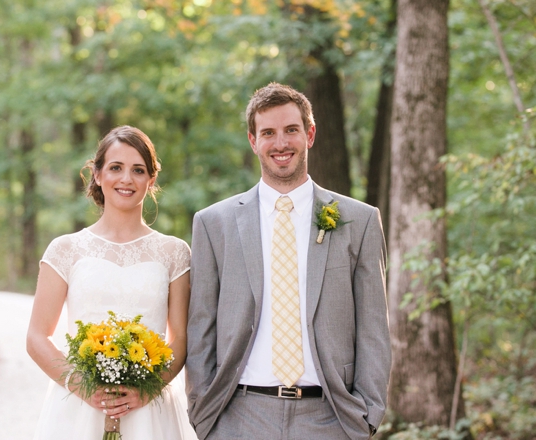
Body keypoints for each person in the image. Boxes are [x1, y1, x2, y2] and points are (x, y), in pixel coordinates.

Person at [185, 83, 391, 440]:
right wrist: (204, 414)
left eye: (291, 130)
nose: (280, 143)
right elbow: (201, 326)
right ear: (253, 141)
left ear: (309, 134)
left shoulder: (359, 221)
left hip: (331, 418)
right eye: (268, 133)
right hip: (237, 417)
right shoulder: (213, 224)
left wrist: (367, 415)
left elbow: (374, 327)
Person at [27, 126, 198, 440]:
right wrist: (84, 388)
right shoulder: (65, 249)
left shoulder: (174, 252)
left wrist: (147, 391)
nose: (126, 179)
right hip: (78, 408)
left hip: (149, 410)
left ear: (151, 179)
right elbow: (37, 336)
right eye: (116, 168)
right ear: (97, 174)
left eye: (138, 170)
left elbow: (181, 339)